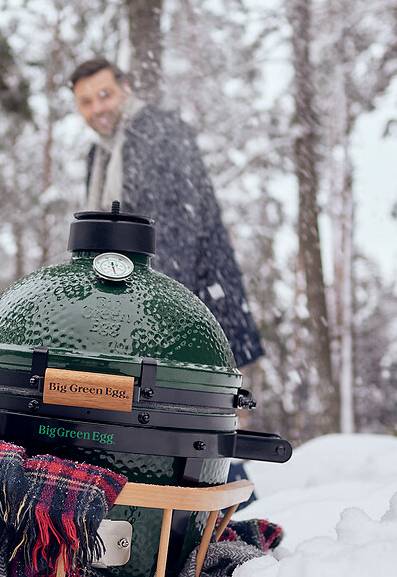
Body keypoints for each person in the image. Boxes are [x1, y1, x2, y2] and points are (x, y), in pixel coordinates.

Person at [70, 56, 264, 371]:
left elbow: (175, 229)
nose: (97, 109)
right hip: (142, 306)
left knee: (195, 408)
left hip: (192, 303)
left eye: (105, 95)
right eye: (86, 101)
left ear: (126, 90)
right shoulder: (100, 154)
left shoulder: (156, 131)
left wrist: (160, 319)